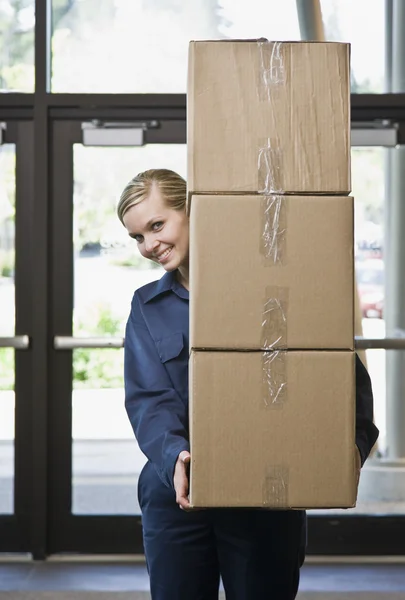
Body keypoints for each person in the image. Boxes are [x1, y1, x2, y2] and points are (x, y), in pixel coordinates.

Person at [117, 168, 379, 600]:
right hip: (179, 491)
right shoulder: (149, 306)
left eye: (157, 225)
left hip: (267, 491)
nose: (149, 245)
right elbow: (148, 398)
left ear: (195, 209)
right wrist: (174, 456)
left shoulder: (277, 291)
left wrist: (349, 446)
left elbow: (340, 375)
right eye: (137, 237)